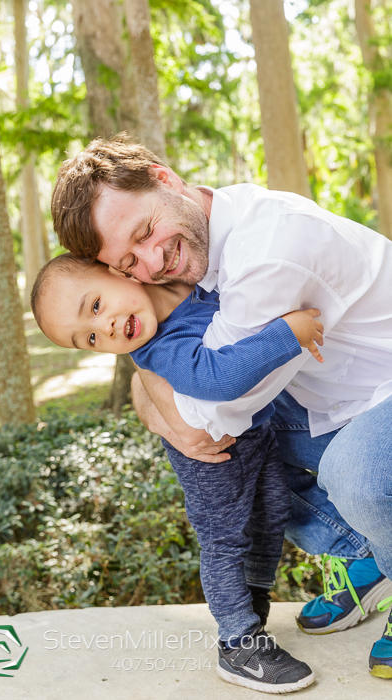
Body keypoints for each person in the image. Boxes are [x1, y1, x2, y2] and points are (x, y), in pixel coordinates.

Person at [51, 134, 392, 680]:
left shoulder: (266, 250)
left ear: (164, 178)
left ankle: (265, 616)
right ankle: (363, 557)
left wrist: (169, 411)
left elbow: (214, 411)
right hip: (340, 397)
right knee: (245, 470)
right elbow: (186, 399)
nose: (152, 260)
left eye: (144, 231)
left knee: (355, 475)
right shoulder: (191, 266)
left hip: (384, 388)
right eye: (129, 260)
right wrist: (162, 397)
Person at [30, 253, 325, 692]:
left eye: (95, 306)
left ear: (117, 270)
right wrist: (287, 335)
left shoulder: (193, 288)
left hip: (255, 433)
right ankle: (237, 643)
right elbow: (217, 378)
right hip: (209, 458)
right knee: (224, 541)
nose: (105, 328)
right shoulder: (159, 346)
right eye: (89, 337)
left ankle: (253, 605)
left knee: (270, 517)